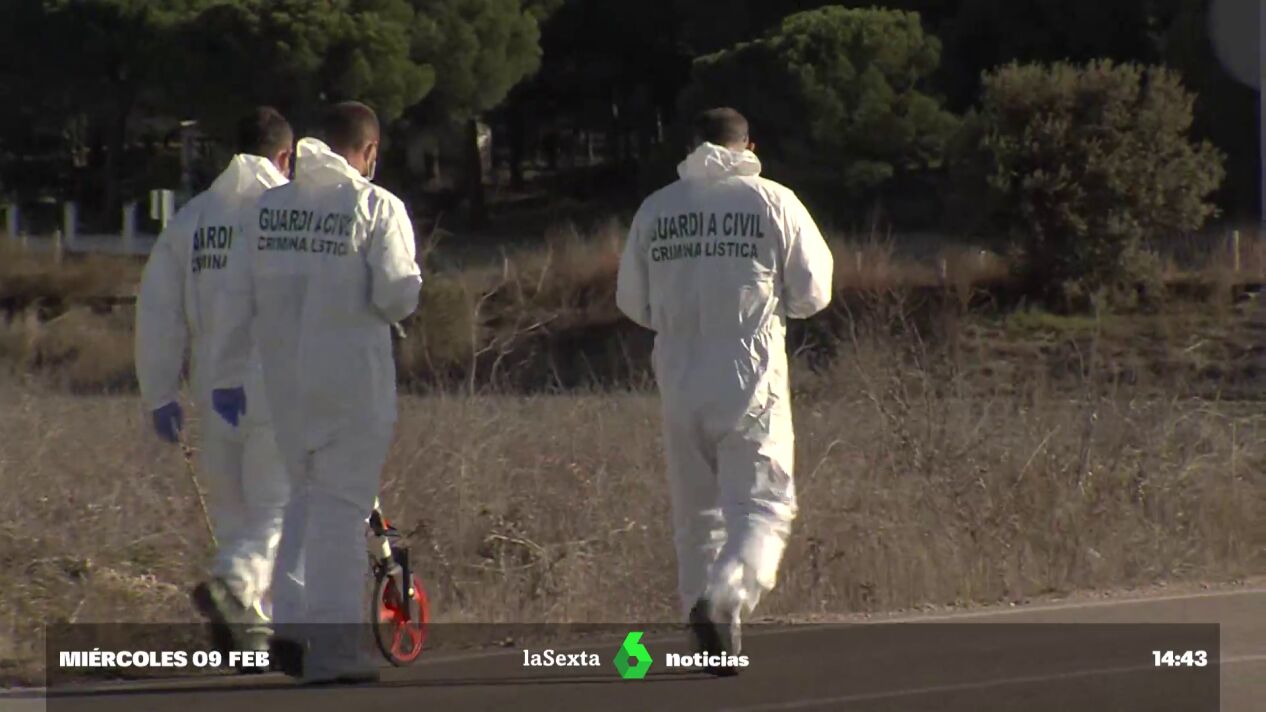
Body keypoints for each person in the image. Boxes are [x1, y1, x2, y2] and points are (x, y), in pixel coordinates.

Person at [209, 101, 422, 684]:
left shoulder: (268, 209)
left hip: (286, 388)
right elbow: (397, 297)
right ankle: (331, 649)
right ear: (369, 151)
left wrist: (225, 375)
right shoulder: (375, 205)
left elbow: (235, 299)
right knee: (342, 511)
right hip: (351, 387)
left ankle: (294, 626)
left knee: (303, 500)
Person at [616, 107, 833, 672]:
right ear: (749, 146)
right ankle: (724, 598)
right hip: (751, 373)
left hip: (679, 373)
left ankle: (712, 641)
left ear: (693, 145)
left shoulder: (657, 208)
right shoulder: (774, 201)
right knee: (763, 506)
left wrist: (680, 320)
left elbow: (632, 301)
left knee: (698, 514)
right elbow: (814, 290)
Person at [134, 107, 295, 656]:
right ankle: (234, 584)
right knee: (279, 508)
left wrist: (160, 392)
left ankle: (248, 635)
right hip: (274, 383)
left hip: (212, 388)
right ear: (284, 156)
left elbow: (158, 311)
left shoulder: (193, 218)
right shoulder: (291, 214)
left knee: (234, 518)